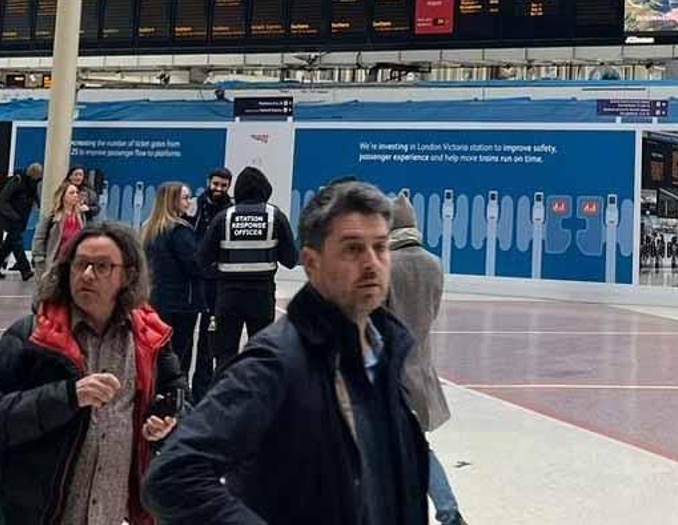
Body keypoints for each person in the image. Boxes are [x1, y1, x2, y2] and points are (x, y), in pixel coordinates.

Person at [142, 179, 429, 525]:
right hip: (246, 304)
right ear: (312, 262)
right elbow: (172, 476)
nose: (372, 263)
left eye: (380, 247)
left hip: (231, 299)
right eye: (353, 249)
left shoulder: (385, 353)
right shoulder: (275, 363)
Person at [0, 221, 181, 525]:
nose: (88, 275)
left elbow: (179, 405)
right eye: (80, 265)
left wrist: (165, 426)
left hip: (110, 514)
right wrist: (67, 396)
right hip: (37, 514)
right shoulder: (31, 337)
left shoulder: (150, 340)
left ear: (128, 276)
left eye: (102, 266)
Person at [385, 193, 467, 525]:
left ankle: (448, 512)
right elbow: (430, 314)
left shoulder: (385, 266)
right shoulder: (434, 265)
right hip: (419, 367)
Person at [197, 166, 298, 369]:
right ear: (265, 190)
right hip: (261, 296)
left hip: (227, 295)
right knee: (261, 356)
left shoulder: (224, 217)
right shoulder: (274, 217)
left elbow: (201, 259)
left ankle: (224, 398)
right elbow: (291, 259)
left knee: (224, 357)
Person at [143, 182, 205, 382]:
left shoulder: (149, 229)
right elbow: (194, 265)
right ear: (173, 201)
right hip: (182, 302)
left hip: (156, 299)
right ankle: (177, 397)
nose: (189, 202)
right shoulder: (180, 231)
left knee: (158, 352)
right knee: (179, 354)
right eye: (185, 198)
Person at [187, 167, 232, 400]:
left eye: (223, 185)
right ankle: (180, 388)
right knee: (184, 336)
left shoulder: (230, 210)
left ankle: (201, 392)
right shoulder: (194, 205)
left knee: (208, 339)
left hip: (216, 281)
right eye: (215, 184)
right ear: (208, 182)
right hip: (192, 278)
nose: (218, 189)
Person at [0, 163, 43, 281]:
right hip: (12, 219)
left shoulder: (32, 185)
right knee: (17, 243)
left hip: (20, 219)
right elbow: (2, 200)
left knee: (8, 245)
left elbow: (33, 198)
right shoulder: (17, 180)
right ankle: (25, 270)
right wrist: (13, 216)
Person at [33, 177, 88, 268]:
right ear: (63, 196)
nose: (75, 195)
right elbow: (40, 236)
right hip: (56, 260)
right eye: (71, 193)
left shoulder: (81, 216)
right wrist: (39, 258)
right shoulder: (52, 216)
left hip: (74, 262)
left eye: (77, 193)